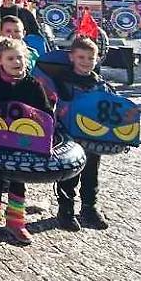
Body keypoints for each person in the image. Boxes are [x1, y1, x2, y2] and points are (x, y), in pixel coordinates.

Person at [0, 37, 53, 245]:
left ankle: (16, 222)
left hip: (23, 141)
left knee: (18, 179)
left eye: (20, 58)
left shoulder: (33, 85)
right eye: (11, 58)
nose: (17, 62)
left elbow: (45, 113)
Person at [55, 37, 114, 232]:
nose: (86, 62)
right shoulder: (62, 81)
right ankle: (66, 210)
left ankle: (89, 208)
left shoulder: (99, 83)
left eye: (91, 58)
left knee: (91, 173)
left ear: (97, 60)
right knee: (69, 174)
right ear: (72, 57)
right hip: (69, 136)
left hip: (93, 137)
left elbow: (111, 106)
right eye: (81, 57)